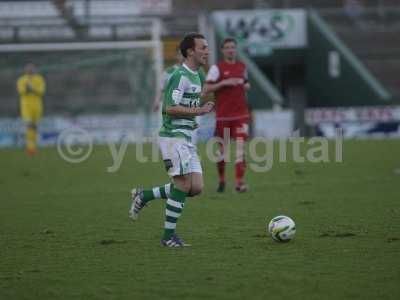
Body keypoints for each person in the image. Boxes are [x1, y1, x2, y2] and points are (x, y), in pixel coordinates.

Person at [129, 33, 215, 247]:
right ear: (190, 51)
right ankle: (167, 238)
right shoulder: (180, 75)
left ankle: (144, 195)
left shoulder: (196, 75)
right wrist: (198, 112)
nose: (207, 51)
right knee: (183, 183)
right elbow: (170, 107)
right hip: (172, 138)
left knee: (195, 187)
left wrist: (191, 119)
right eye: (203, 47)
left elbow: (185, 107)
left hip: (185, 137)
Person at [204, 37, 251, 193]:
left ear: (236, 49)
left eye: (233, 47)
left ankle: (239, 183)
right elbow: (206, 89)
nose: (231, 50)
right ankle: (222, 179)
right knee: (222, 153)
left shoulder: (242, 67)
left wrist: (245, 85)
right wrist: (224, 83)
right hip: (223, 116)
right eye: (228, 47)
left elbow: (245, 83)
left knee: (240, 149)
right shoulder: (217, 68)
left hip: (241, 115)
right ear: (223, 50)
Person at [17, 63, 46, 155]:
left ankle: (33, 147)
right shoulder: (21, 80)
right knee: (29, 125)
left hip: (37, 106)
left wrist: (32, 88)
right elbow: (21, 92)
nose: (30, 70)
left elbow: (41, 92)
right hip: (26, 106)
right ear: (25, 70)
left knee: (35, 127)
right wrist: (27, 89)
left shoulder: (39, 79)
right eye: (28, 68)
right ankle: (30, 148)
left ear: (35, 69)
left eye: (32, 68)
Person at [152, 47, 184, 112]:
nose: (182, 56)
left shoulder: (195, 71)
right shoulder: (168, 72)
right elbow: (161, 89)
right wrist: (157, 101)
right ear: (177, 56)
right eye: (180, 54)